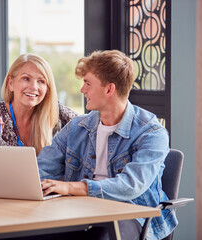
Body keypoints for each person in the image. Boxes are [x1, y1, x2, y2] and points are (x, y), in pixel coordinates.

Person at [37, 50, 178, 239]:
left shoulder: (152, 133)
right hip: (81, 211)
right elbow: (42, 169)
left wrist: (72, 188)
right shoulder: (76, 128)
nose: (82, 90)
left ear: (109, 89)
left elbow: (131, 186)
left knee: (100, 236)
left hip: (133, 215)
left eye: (88, 83)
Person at [0, 53, 77, 154]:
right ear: (11, 83)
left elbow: (87, 127)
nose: (34, 87)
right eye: (26, 79)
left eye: (41, 81)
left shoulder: (57, 113)